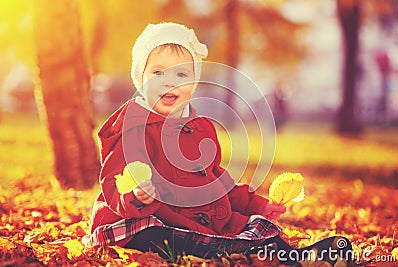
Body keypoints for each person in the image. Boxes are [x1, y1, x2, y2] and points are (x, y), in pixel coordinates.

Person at [85, 22, 352, 266]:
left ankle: (298, 258)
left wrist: (255, 205)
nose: (169, 81)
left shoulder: (199, 128)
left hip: (198, 220)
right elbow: (113, 181)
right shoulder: (132, 128)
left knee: (252, 226)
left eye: (181, 74)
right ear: (140, 78)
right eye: (158, 72)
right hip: (148, 219)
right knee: (152, 232)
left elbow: (217, 181)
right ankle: (231, 252)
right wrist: (135, 197)